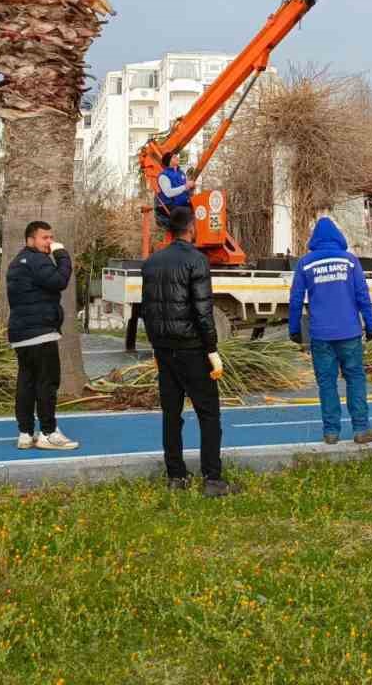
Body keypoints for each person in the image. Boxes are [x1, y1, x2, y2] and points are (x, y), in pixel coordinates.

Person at [140, 206, 238, 496]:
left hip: (165, 349)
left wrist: (157, 347)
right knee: (209, 414)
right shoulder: (197, 260)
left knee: (171, 414)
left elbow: (148, 309)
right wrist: (212, 349)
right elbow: (202, 311)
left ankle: (176, 476)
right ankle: (212, 479)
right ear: (191, 228)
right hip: (192, 349)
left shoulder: (152, 262)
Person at [288, 216, 372, 446]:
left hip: (321, 335)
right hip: (349, 332)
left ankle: (331, 432)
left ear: (314, 239)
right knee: (355, 379)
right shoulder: (350, 261)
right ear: (338, 237)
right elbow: (362, 295)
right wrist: (370, 324)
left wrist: (294, 328)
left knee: (326, 383)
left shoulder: (305, 263)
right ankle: (360, 429)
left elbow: (296, 298)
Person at [7, 219, 79, 451]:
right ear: (31, 240)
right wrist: (62, 255)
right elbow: (59, 281)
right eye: (45, 238)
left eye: (51, 237)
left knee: (26, 382)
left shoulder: (17, 262)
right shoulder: (38, 260)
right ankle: (48, 433)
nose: (50, 242)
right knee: (47, 383)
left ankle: (25, 433)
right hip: (41, 333)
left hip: (20, 334)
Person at [154, 152, 194, 230]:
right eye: (174, 157)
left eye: (176, 156)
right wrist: (185, 186)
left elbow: (185, 190)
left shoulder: (181, 173)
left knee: (200, 207)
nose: (177, 158)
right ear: (169, 161)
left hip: (183, 203)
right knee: (187, 212)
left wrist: (191, 188)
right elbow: (168, 193)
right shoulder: (164, 176)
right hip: (170, 205)